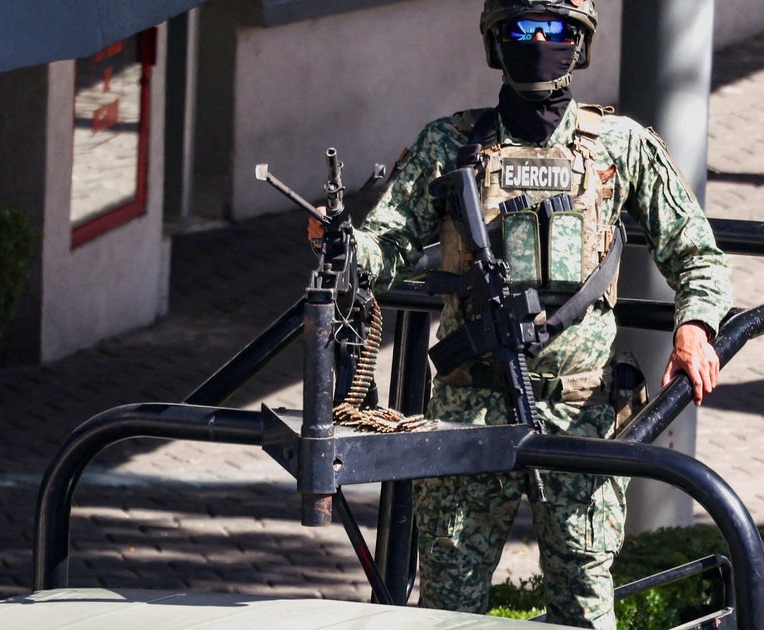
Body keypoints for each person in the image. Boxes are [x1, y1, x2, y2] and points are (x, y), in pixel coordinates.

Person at [309, 1, 731, 627]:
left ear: (579, 41)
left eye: (553, 28)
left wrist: (694, 328)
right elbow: (388, 244)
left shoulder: (620, 145)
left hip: (580, 415)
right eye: (520, 28)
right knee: (448, 603)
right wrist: (346, 247)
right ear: (495, 42)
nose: (537, 40)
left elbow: (697, 253)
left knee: (583, 603)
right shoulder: (448, 143)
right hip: (468, 411)